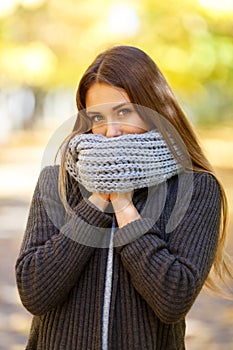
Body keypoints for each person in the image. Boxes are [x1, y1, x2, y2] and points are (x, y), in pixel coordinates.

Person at [15, 45, 232, 350]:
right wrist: (97, 200)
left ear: (153, 110)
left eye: (123, 112)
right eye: (97, 117)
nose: (110, 132)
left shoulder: (196, 189)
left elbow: (173, 300)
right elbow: (35, 292)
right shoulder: (57, 181)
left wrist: (124, 205)